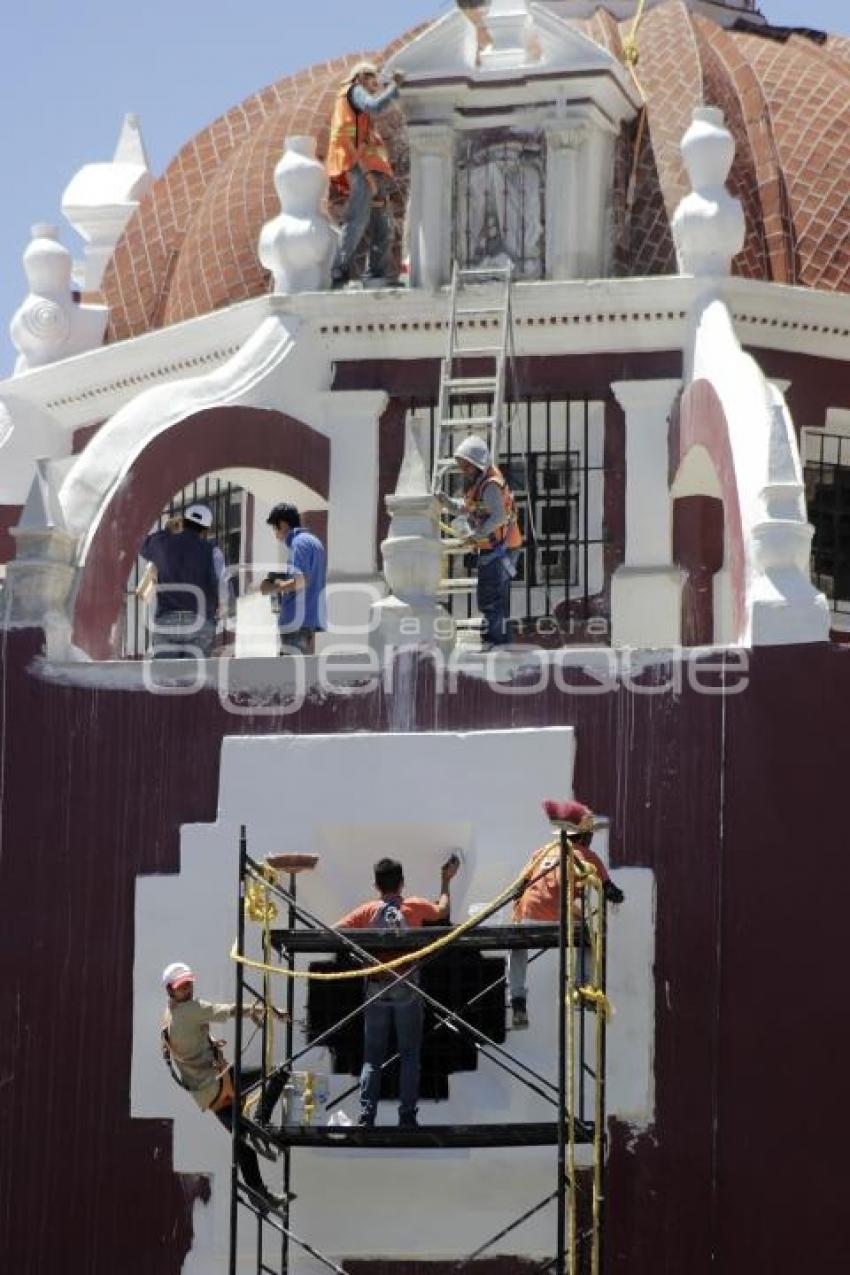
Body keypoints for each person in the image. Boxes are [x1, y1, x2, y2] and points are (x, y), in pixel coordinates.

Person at [335, 853, 461, 1129]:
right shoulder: (414, 907)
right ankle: (407, 1116)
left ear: (376, 886)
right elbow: (443, 911)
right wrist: (445, 880)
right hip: (407, 988)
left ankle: (367, 1116)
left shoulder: (366, 911)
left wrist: (363, 955)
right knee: (409, 1055)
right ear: (401, 883)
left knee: (372, 1058)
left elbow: (335, 932)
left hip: (377, 987)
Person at [160, 962, 292, 1211]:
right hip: (219, 1083)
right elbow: (228, 1010)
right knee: (278, 1072)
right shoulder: (190, 1010)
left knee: (242, 1139)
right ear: (170, 990)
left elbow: (186, 1042)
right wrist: (267, 1010)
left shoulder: (169, 1015)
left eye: (188, 983)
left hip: (207, 1096)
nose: (187, 989)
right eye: (181, 987)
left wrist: (208, 1044)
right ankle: (262, 1120)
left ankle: (258, 1193)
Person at [509, 801, 625, 1029]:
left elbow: (517, 888)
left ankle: (517, 1000)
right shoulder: (586, 856)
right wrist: (618, 896)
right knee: (589, 939)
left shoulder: (542, 852)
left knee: (517, 945)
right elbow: (610, 891)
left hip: (527, 914)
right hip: (558, 916)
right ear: (583, 837)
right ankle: (581, 988)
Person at [439, 435, 523, 648]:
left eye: (466, 466)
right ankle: (499, 640)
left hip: (499, 548)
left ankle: (495, 641)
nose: (463, 470)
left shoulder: (490, 486)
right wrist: (448, 503)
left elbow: (499, 516)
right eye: (461, 466)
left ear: (477, 464)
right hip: (498, 546)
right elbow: (469, 507)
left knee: (490, 597)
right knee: (495, 597)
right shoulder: (479, 481)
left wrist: (477, 534)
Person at [326, 61, 404, 289]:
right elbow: (375, 106)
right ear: (359, 77)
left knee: (384, 223)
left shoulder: (360, 105)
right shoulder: (354, 91)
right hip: (359, 167)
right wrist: (396, 87)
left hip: (371, 169)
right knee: (358, 220)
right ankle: (339, 272)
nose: (374, 81)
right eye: (370, 76)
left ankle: (376, 274)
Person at [140, 505, 221, 657]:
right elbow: (222, 583)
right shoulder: (212, 551)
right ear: (206, 530)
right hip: (200, 621)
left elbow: (143, 545)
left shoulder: (162, 544)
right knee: (195, 677)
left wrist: (166, 531)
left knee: (165, 677)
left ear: (182, 523)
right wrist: (221, 608)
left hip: (166, 621)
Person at [260, 503, 327, 655]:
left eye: (274, 528)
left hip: (295, 621)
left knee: (290, 674)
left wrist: (272, 587)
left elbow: (301, 581)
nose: (275, 533)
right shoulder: (314, 542)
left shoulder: (298, 543)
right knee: (300, 672)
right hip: (310, 619)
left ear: (282, 524)